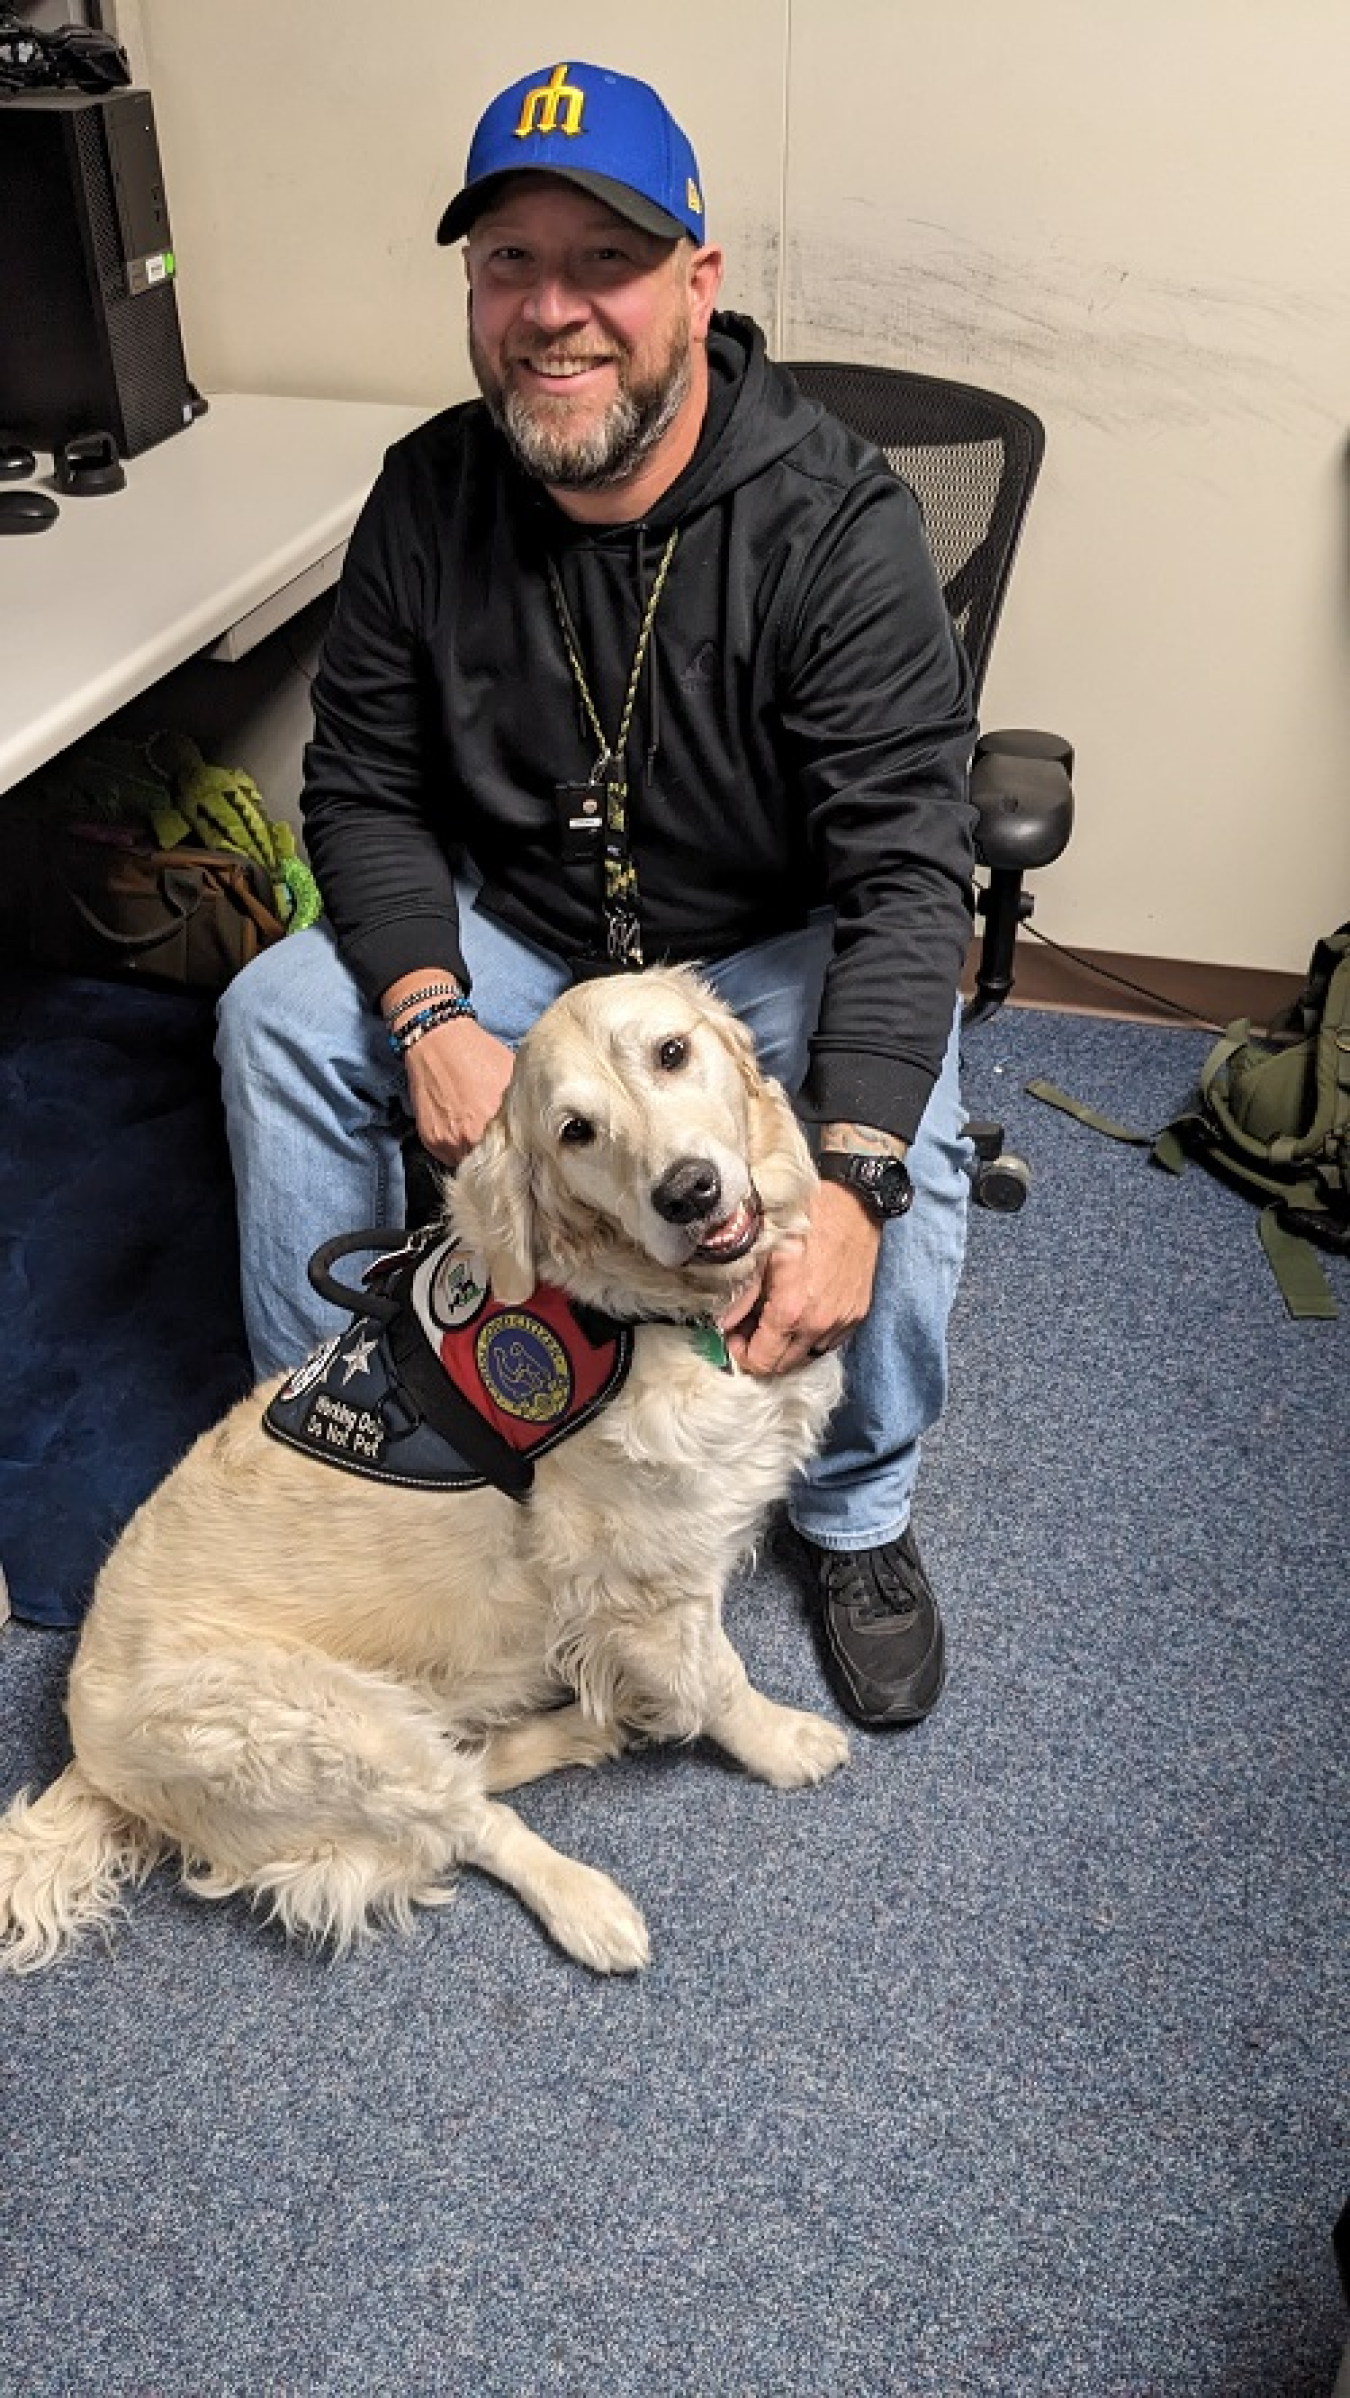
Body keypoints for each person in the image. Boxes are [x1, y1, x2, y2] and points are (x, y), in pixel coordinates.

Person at [215, 59, 977, 1732]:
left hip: (756, 961)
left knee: (899, 1144)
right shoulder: (428, 492)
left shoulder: (835, 525)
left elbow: (910, 873)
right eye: (508, 265)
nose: (551, 313)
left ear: (696, 284)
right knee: (274, 1011)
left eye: (603, 262)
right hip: (527, 945)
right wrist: (426, 1007)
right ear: (474, 290)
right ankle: (344, 1439)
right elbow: (360, 786)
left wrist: (842, 1179)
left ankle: (857, 1516)